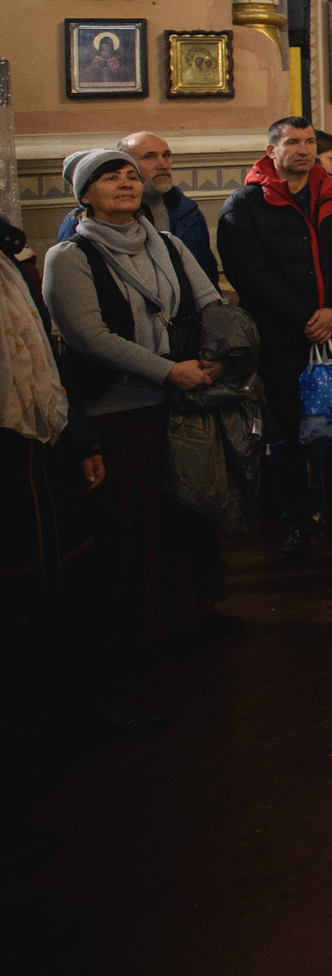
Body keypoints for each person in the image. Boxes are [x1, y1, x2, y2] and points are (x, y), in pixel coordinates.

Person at [44, 148, 232, 643]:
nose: (126, 184)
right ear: (85, 195)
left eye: (131, 176)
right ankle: (138, 632)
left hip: (181, 402)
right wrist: (169, 371)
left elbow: (210, 300)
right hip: (118, 408)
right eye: (110, 178)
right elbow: (90, 337)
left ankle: (192, 617)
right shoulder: (69, 257)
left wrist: (214, 354)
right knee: (132, 525)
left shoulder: (167, 243)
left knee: (184, 515)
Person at [1, 213, 159, 740]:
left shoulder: (8, 265)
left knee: (58, 579)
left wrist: (79, 438)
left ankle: (74, 705)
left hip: (34, 448)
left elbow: (43, 359)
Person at [220, 117, 332, 561]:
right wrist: (307, 316)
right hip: (283, 337)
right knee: (285, 436)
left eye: (308, 142)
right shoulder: (244, 204)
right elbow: (248, 271)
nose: (303, 150)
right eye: (292, 142)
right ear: (272, 149)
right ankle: (294, 524)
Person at [54, 131, 216, 282]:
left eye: (166, 156)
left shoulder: (188, 212)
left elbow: (206, 272)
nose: (163, 164)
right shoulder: (80, 222)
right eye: (150, 157)